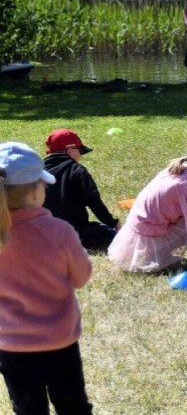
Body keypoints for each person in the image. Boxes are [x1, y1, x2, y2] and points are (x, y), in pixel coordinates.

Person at [0, 142, 94, 414]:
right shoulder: (58, 231)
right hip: (59, 340)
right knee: (72, 404)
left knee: (28, 408)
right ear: (34, 192)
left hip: (10, 344)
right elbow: (81, 277)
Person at [108, 137, 187, 278]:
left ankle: (158, 254)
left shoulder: (179, 169)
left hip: (138, 227)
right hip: (149, 234)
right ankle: (160, 256)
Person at [42, 128, 119, 251]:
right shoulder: (77, 171)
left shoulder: (36, 172)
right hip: (74, 233)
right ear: (70, 150)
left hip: (42, 235)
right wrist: (114, 223)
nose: (81, 156)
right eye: (81, 151)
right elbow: (94, 202)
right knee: (117, 236)